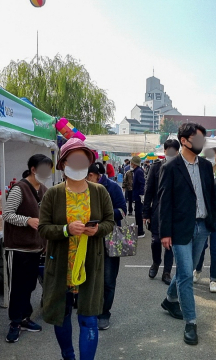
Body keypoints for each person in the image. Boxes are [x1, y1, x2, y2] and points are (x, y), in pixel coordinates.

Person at [38, 138, 115, 360]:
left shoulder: (99, 191)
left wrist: (98, 229)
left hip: (90, 264)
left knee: (89, 317)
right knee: (61, 315)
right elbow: (43, 228)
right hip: (61, 264)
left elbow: (110, 221)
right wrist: (66, 229)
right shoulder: (53, 194)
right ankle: (68, 355)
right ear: (63, 163)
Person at [158, 123, 216, 346]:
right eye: (198, 139)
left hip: (202, 226)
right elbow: (165, 202)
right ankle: (191, 322)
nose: (202, 144)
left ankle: (170, 299)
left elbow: (211, 195)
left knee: (187, 270)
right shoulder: (170, 167)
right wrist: (165, 232)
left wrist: (213, 222)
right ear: (184, 140)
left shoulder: (205, 166)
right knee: (185, 276)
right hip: (180, 229)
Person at [3, 154, 52, 343]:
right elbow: (7, 214)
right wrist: (27, 220)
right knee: (18, 287)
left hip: (35, 248)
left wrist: (45, 243)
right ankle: (15, 322)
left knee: (30, 286)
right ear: (33, 169)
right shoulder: (20, 189)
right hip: (18, 248)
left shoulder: (45, 190)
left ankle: (25, 318)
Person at [86, 162, 127, 330]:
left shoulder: (112, 187)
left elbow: (123, 211)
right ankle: (89, 309)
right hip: (88, 238)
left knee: (108, 279)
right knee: (88, 276)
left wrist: (104, 215)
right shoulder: (81, 188)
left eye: (89, 176)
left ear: (97, 175)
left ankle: (104, 313)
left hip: (110, 237)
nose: (87, 179)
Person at [143, 139, 179, 285]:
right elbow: (149, 191)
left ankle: (167, 272)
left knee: (170, 243)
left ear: (178, 152)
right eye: (168, 151)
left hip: (175, 211)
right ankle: (156, 263)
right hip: (158, 209)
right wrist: (145, 214)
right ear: (164, 151)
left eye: (174, 151)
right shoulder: (156, 167)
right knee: (156, 241)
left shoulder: (181, 167)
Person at [194, 147, 216, 293]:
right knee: (200, 248)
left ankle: (214, 279)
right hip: (204, 217)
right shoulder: (202, 172)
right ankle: (197, 270)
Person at [130, 156, 146, 238]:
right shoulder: (137, 171)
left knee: (138, 214)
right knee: (137, 213)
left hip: (138, 196)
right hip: (137, 195)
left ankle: (140, 231)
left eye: (131, 162)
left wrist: (141, 195)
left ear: (134, 163)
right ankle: (139, 229)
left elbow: (142, 183)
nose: (130, 163)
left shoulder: (138, 171)